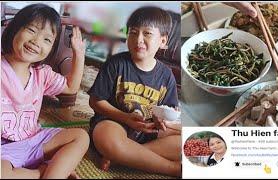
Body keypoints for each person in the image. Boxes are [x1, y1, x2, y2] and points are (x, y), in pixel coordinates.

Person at [88, 6, 181, 177]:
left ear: (163, 41)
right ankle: (173, 169)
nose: (138, 39)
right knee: (105, 136)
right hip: (115, 123)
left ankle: (123, 156)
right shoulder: (115, 63)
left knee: (184, 141)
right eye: (133, 32)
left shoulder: (166, 75)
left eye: (147, 34)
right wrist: (124, 118)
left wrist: (161, 120)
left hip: (147, 131)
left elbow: (168, 112)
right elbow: (95, 101)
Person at [1, 3, 89, 179]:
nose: (36, 41)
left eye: (47, 39)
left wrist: (79, 54)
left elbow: (71, 87)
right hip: (3, 150)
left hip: (34, 140)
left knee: (80, 136)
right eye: (32, 30)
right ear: (13, 28)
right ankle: (42, 172)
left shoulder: (43, 73)